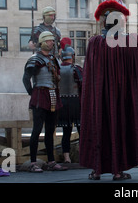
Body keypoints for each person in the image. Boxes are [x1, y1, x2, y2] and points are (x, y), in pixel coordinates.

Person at [80, 0, 138, 181]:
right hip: (122, 98)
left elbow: (88, 76)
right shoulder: (130, 41)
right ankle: (117, 171)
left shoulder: (94, 43)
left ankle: (97, 170)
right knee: (120, 126)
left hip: (99, 98)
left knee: (100, 126)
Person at [22, 31, 67, 172]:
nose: (52, 43)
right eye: (49, 41)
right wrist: (32, 93)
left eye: (53, 41)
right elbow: (26, 78)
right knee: (36, 129)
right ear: (42, 42)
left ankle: (51, 161)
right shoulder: (35, 59)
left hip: (53, 94)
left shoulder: (54, 59)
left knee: (50, 130)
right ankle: (33, 162)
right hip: (40, 94)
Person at [57, 44, 83, 163]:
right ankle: (83, 155)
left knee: (66, 132)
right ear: (72, 56)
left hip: (62, 103)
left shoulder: (56, 69)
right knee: (81, 130)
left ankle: (67, 158)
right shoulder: (76, 69)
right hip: (75, 103)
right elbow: (83, 86)